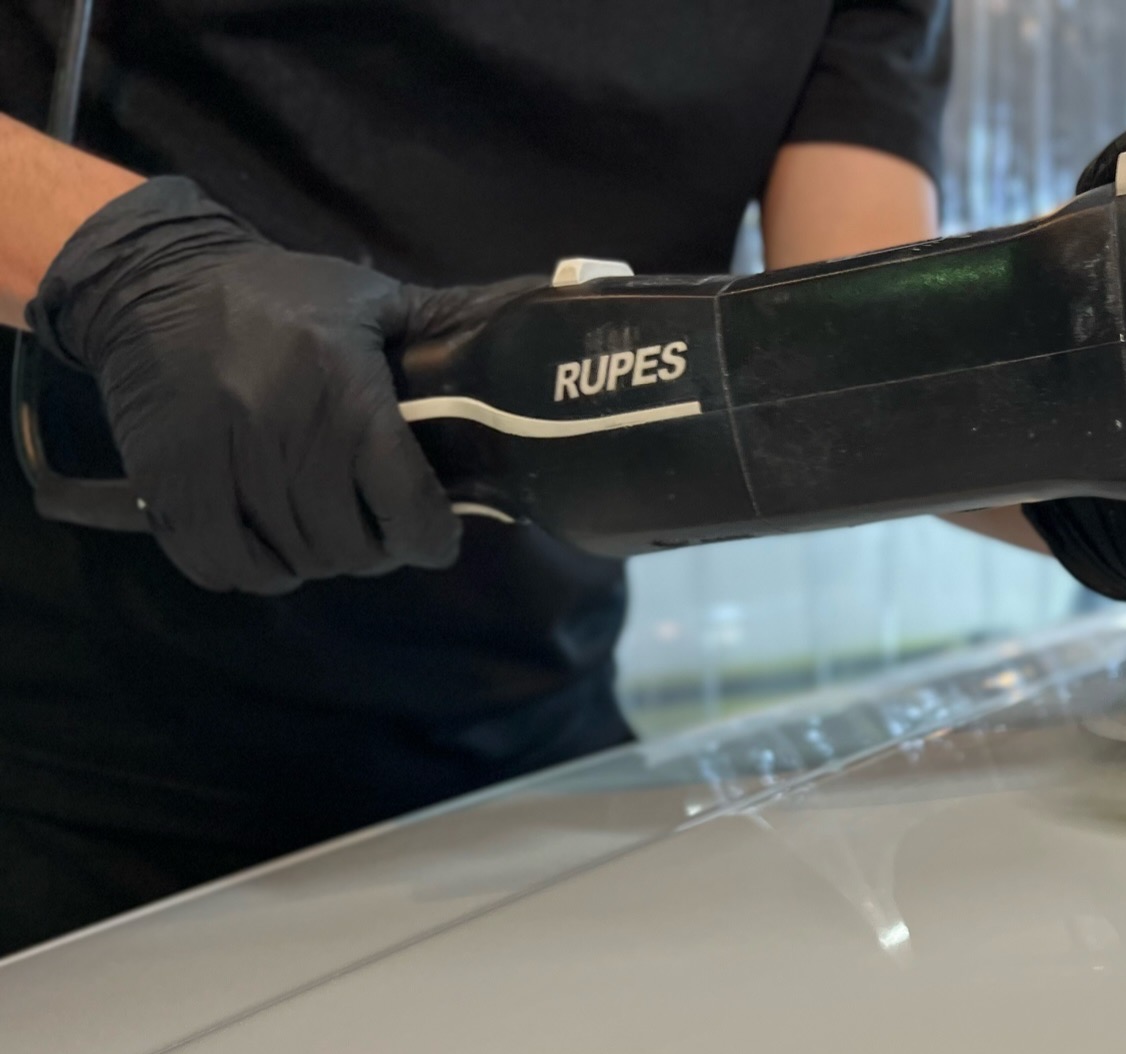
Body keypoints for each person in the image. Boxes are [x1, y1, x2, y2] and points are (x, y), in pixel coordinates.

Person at [0, 0, 972, 956]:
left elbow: (863, 359)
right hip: (67, 786)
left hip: (536, 774)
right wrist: (125, 268)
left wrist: (1054, 421)